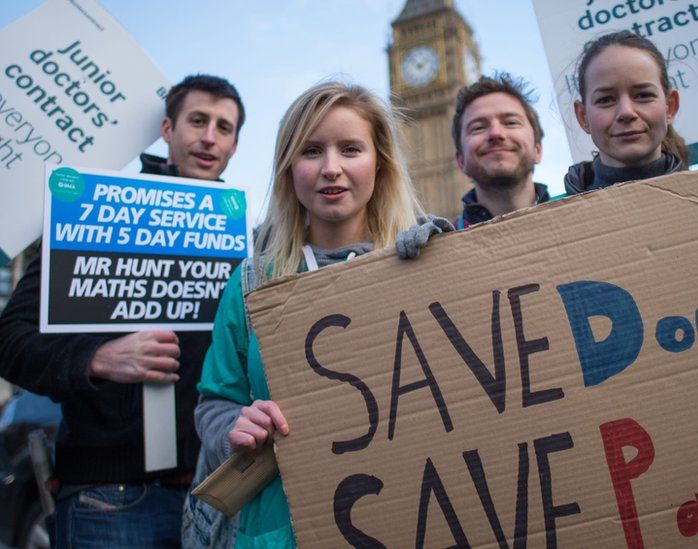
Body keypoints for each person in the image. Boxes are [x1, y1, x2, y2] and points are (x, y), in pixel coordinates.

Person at [194, 81, 449, 547]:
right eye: (312, 151)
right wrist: (233, 426)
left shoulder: (426, 262)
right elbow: (214, 401)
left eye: (350, 149)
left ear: (380, 162)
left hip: (410, 521)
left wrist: (450, 268)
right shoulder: (250, 283)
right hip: (281, 531)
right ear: (289, 168)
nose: (331, 168)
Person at [0, 74, 244, 547]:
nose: (210, 137)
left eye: (225, 127)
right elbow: (9, 339)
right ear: (168, 130)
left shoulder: (243, 245)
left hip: (217, 498)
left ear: (235, 144)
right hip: (110, 502)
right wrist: (97, 358)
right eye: (197, 121)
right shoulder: (94, 214)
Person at [565, 31, 689, 195]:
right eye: (605, 100)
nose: (626, 112)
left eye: (643, 95)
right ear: (583, 117)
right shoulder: (554, 219)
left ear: (670, 106)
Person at [452, 73, 551, 228]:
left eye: (511, 122)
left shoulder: (582, 212)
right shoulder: (440, 245)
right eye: (478, 128)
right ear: (461, 161)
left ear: (537, 150)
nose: (496, 133)